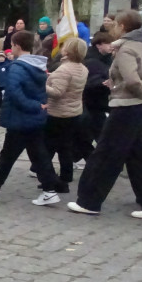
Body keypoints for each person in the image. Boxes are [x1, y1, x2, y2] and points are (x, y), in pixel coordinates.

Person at [69, 10, 142, 218]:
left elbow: (132, 80)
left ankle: (89, 201)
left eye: (115, 24)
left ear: (123, 27)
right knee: (140, 156)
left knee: (106, 153)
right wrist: (140, 89)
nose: (111, 27)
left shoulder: (126, 49)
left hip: (128, 106)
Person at [0, 31, 61, 206]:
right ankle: (49, 190)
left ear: (18, 46)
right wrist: (38, 106)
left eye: (12, 45)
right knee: (38, 155)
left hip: (20, 118)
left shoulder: (17, 67)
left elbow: (14, 92)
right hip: (32, 118)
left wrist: (34, 106)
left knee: (9, 156)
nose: (11, 48)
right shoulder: (38, 66)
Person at [43, 37, 88, 192]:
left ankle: (49, 178)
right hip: (74, 112)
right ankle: (65, 178)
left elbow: (57, 92)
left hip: (58, 113)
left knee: (47, 148)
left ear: (68, 50)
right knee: (65, 147)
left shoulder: (65, 69)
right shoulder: (82, 68)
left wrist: (44, 84)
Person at [82, 30, 114, 144]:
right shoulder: (91, 61)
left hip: (101, 103)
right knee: (99, 137)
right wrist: (102, 82)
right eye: (109, 43)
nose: (112, 46)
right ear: (99, 45)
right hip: (92, 103)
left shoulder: (108, 59)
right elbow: (89, 81)